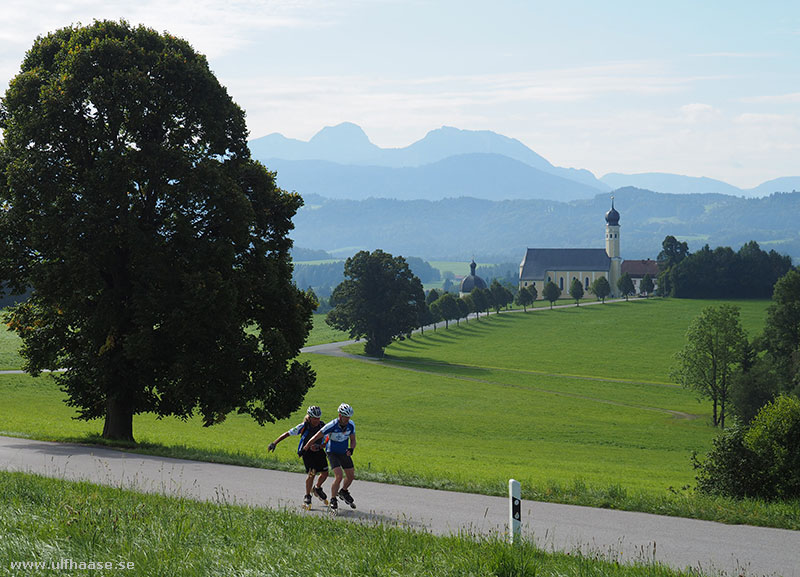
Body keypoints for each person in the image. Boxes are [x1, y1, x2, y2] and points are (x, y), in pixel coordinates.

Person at [268, 405, 329, 508]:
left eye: (318, 418)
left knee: (325, 473)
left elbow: (328, 440)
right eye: (315, 418)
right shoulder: (303, 426)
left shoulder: (322, 426)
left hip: (319, 451)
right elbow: (287, 434)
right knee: (312, 473)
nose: (317, 420)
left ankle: (317, 488)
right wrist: (274, 443)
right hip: (307, 452)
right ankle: (307, 496)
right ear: (309, 418)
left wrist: (319, 446)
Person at [304, 403, 356, 511]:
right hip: (332, 452)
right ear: (340, 415)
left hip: (344, 452)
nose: (347, 419)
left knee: (351, 476)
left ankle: (343, 491)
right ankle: (333, 499)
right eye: (345, 417)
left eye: (349, 417)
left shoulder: (351, 425)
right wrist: (307, 446)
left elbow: (353, 439)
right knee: (339, 476)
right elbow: (316, 436)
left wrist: (351, 449)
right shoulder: (332, 425)